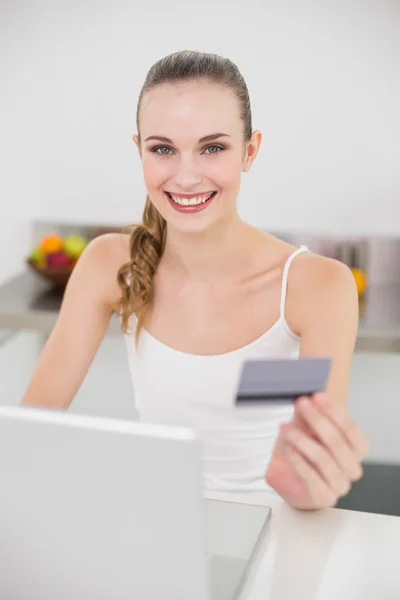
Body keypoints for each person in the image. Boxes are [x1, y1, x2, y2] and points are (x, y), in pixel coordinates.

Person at [21, 50, 369, 510]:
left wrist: (308, 484)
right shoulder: (111, 266)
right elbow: (31, 432)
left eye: (212, 148)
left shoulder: (314, 288)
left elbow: (310, 472)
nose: (186, 177)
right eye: (163, 149)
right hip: (155, 525)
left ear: (249, 151)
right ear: (139, 149)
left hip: (279, 529)